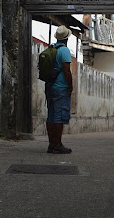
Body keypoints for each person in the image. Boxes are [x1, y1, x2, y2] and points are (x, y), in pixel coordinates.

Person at [45, 25, 73, 154]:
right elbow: (67, 71)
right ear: (67, 38)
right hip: (60, 88)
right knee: (59, 117)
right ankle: (58, 145)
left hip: (49, 86)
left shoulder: (51, 48)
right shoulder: (64, 51)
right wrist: (70, 87)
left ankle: (51, 145)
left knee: (50, 116)